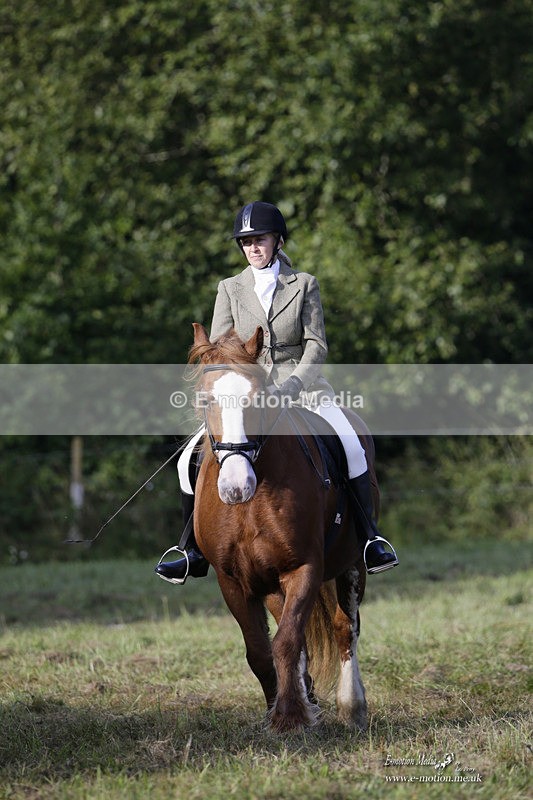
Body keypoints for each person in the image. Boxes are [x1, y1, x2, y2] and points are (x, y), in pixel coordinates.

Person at [156, 201, 398, 583]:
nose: (253, 248)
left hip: (301, 386)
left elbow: (316, 346)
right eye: (246, 242)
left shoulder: (303, 284)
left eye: (260, 240)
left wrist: (292, 385)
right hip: (244, 391)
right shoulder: (230, 288)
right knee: (189, 457)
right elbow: (220, 345)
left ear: (277, 241)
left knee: (351, 442)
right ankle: (189, 549)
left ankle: (370, 538)